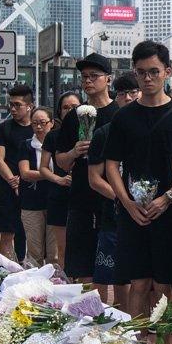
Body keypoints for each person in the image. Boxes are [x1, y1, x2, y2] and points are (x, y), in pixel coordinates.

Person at [104, 41, 172, 318]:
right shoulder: (123, 117)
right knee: (138, 282)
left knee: (163, 284)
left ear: (167, 72)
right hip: (132, 211)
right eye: (141, 72)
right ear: (134, 73)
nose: (148, 78)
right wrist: (126, 202)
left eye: (154, 71)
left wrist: (169, 197)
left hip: (169, 210)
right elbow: (111, 164)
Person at [56, 54, 118, 288]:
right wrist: (73, 152)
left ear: (108, 79)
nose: (88, 81)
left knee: (114, 267)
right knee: (83, 266)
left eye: (94, 76)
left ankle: (114, 315)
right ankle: (90, 315)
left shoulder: (119, 113)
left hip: (112, 197)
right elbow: (60, 161)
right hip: (81, 196)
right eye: (84, 77)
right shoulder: (75, 116)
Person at [87, 72, 140, 312]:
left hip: (152, 212)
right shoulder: (104, 133)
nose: (128, 98)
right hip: (113, 215)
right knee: (113, 276)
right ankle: (116, 324)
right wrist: (124, 200)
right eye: (122, 93)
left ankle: (145, 331)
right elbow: (95, 179)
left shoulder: (158, 125)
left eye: (132, 92)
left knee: (145, 281)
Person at [0, 85, 34, 260]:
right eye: (11, 104)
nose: (13, 109)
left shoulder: (38, 127)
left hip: (33, 186)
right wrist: (13, 181)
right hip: (7, 187)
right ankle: (5, 270)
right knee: (7, 233)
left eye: (18, 105)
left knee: (31, 233)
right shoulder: (3, 129)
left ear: (29, 106)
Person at [40, 92, 80, 267]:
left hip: (83, 194)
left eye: (74, 107)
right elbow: (43, 167)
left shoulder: (89, 133)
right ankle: (67, 286)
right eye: (66, 107)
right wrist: (59, 179)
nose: (70, 111)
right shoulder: (53, 136)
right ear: (59, 111)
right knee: (62, 249)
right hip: (59, 194)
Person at [18, 108, 57, 266]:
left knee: (54, 252)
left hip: (55, 201)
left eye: (43, 123)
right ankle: (35, 285)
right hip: (31, 202)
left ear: (51, 123)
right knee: (35, 251)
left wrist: (44, 174)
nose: (39, 127)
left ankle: (57, 283)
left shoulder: (59, 144)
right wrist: (51, 175)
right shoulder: (26, 145)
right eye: (35, 123)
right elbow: (25, 173)